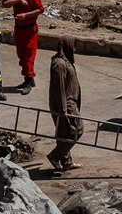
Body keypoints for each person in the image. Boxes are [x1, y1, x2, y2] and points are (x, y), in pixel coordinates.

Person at [1, 0, 43, 92]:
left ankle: (29, 80)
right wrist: (19, 0)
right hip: (19, 30)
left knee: (29, 55)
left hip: (30, 30)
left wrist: (26, 15)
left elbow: (40, 10)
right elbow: (5, 3)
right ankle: (28, 79)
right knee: (21, 54)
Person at [46, 36, 82, 172]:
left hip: (70, 103)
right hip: (66, 104)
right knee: (77, 130)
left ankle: (67, 162)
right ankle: (55, 156)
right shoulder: (59, 64)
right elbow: (59, 88)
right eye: (73, 46)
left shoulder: (66, 61)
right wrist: (62, 109)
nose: (74, 49)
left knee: (64, 134)